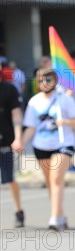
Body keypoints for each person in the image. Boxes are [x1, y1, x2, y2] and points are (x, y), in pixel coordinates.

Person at [19, 69, 75, 231]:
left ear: (55, 81)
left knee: (56, 179)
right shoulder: (34, 102)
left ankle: (54, 218)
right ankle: (60, 216)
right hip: (41, 146)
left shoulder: (64, 99)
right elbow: (30, 128)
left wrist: (65, 122)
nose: (44, 83)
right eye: (41, 80)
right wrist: (20, 143)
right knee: (50, 183)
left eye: (48, 79)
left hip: (63, 144)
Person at [0, 61, 25, 227]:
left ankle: (18, 211)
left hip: (5, 142)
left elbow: (16, 115)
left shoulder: (9, 89)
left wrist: (18, 138)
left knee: (10, 179)